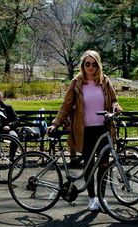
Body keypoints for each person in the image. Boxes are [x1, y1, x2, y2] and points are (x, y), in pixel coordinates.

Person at [49, 50, 122, 212]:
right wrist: (55, 123)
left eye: (94, 64)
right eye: (87, 64)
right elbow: (66, 105)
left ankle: (102, 199)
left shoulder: (105, 81)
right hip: (85, 130)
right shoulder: (76, 82)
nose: (91, 67)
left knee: (104, 165)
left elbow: (114, 100)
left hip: (103, 129)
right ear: (83, 65)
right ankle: (91, 199)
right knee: (89, 165)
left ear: (98, 65)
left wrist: (116, 107)